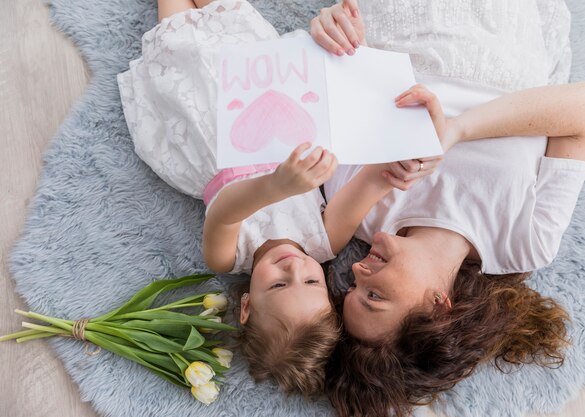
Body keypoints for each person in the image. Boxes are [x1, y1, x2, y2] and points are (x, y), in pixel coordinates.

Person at [117, 0, 430, 396]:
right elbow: (372, 181)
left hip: (206, 121)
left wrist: (275, 188)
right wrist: (399, 166)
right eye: (312, 281)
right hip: (263, 92)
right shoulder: (325, 241)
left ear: (246, 306)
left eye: (279, 286)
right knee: (228, 14)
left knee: (177, 29)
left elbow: (226, 212)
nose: (293, 267)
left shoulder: (228, 257)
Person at [310, 1, 585, 416]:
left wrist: (332, 32)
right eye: (373, 294)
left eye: (352, 288)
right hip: (505, 45)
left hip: (404, 29)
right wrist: (456, 131)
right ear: (438, 307)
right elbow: (582, 108)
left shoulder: (365, 212)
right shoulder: (524, 242)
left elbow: (345, 83)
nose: (355, 270)